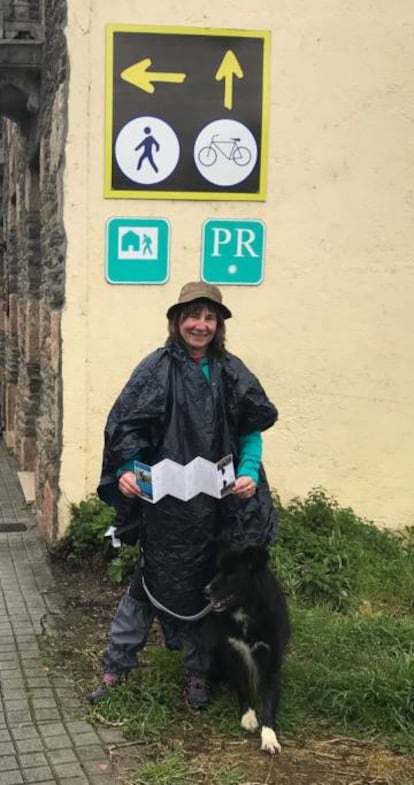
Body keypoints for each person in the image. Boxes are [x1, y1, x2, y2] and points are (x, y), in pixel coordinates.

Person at [90, 281, 278, 708]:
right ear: (177, 321)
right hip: (166, 510)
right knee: (146, 586)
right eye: (193, 316)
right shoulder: (156, 369)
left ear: (219, 325)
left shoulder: (232, 372)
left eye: (210, 317)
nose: (201, 325)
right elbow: (127, 429)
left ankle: (199, 674)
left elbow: (250, 430)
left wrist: (247, 473)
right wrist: (125, 472)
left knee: (204, 589)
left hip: (215, 511)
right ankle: (115, 666)